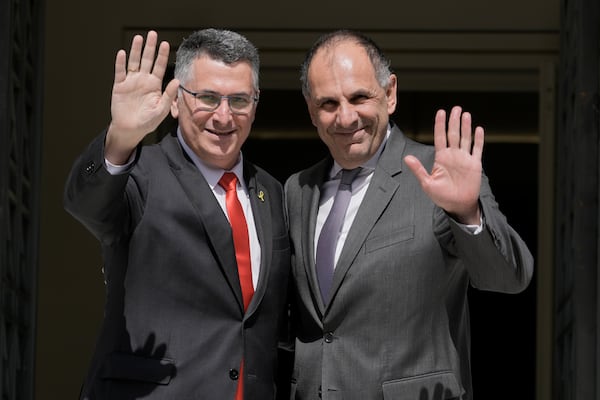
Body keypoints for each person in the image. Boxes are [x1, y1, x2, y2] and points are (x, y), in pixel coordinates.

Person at [284, 30, 534, 400]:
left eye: (359, 97)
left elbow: (508, 277)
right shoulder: (296, 190)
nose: (346, 116)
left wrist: (466, 211)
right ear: (311, 111)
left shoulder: (438, 174)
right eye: (328, 104)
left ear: (390, 93)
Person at [64, 29, 291, 400]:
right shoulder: (139, 173)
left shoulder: (272, 191)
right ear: (175, 101)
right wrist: (121, 138)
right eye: (207, 98)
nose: (223, 115)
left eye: (238, 100)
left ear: (255, 102)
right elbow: (85, 204)